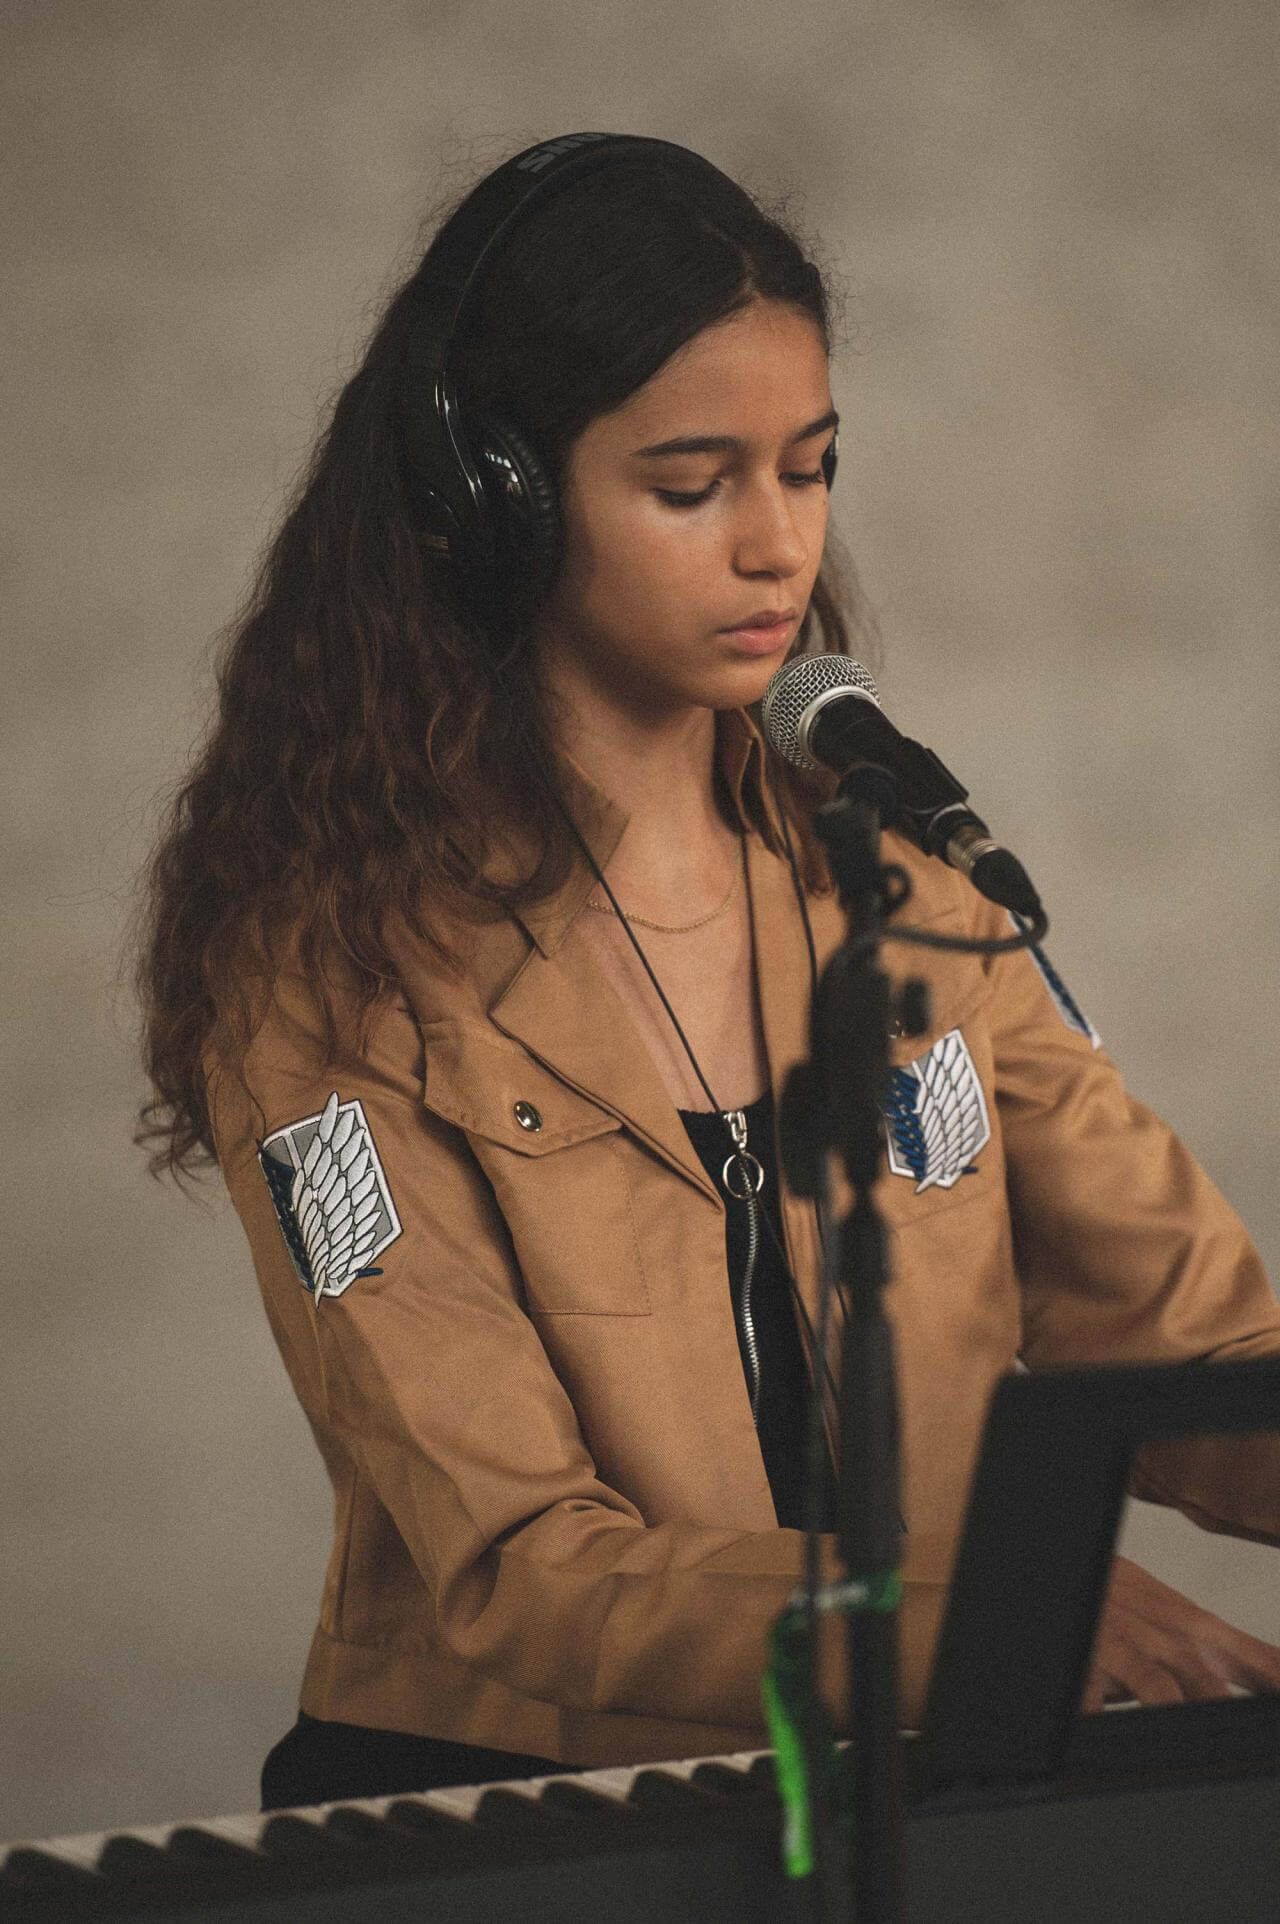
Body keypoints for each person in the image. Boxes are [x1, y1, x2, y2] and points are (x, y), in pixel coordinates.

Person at [135, 134, 1280, 1811]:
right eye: (692, 487)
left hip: (911, 1785)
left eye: (810, 471)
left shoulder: (906, 887)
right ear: (499, 503)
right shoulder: (331, 976)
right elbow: (521, 1567)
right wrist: (975, 1620)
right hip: (516, 1817)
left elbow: (1191, 1354)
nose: (777, 547)